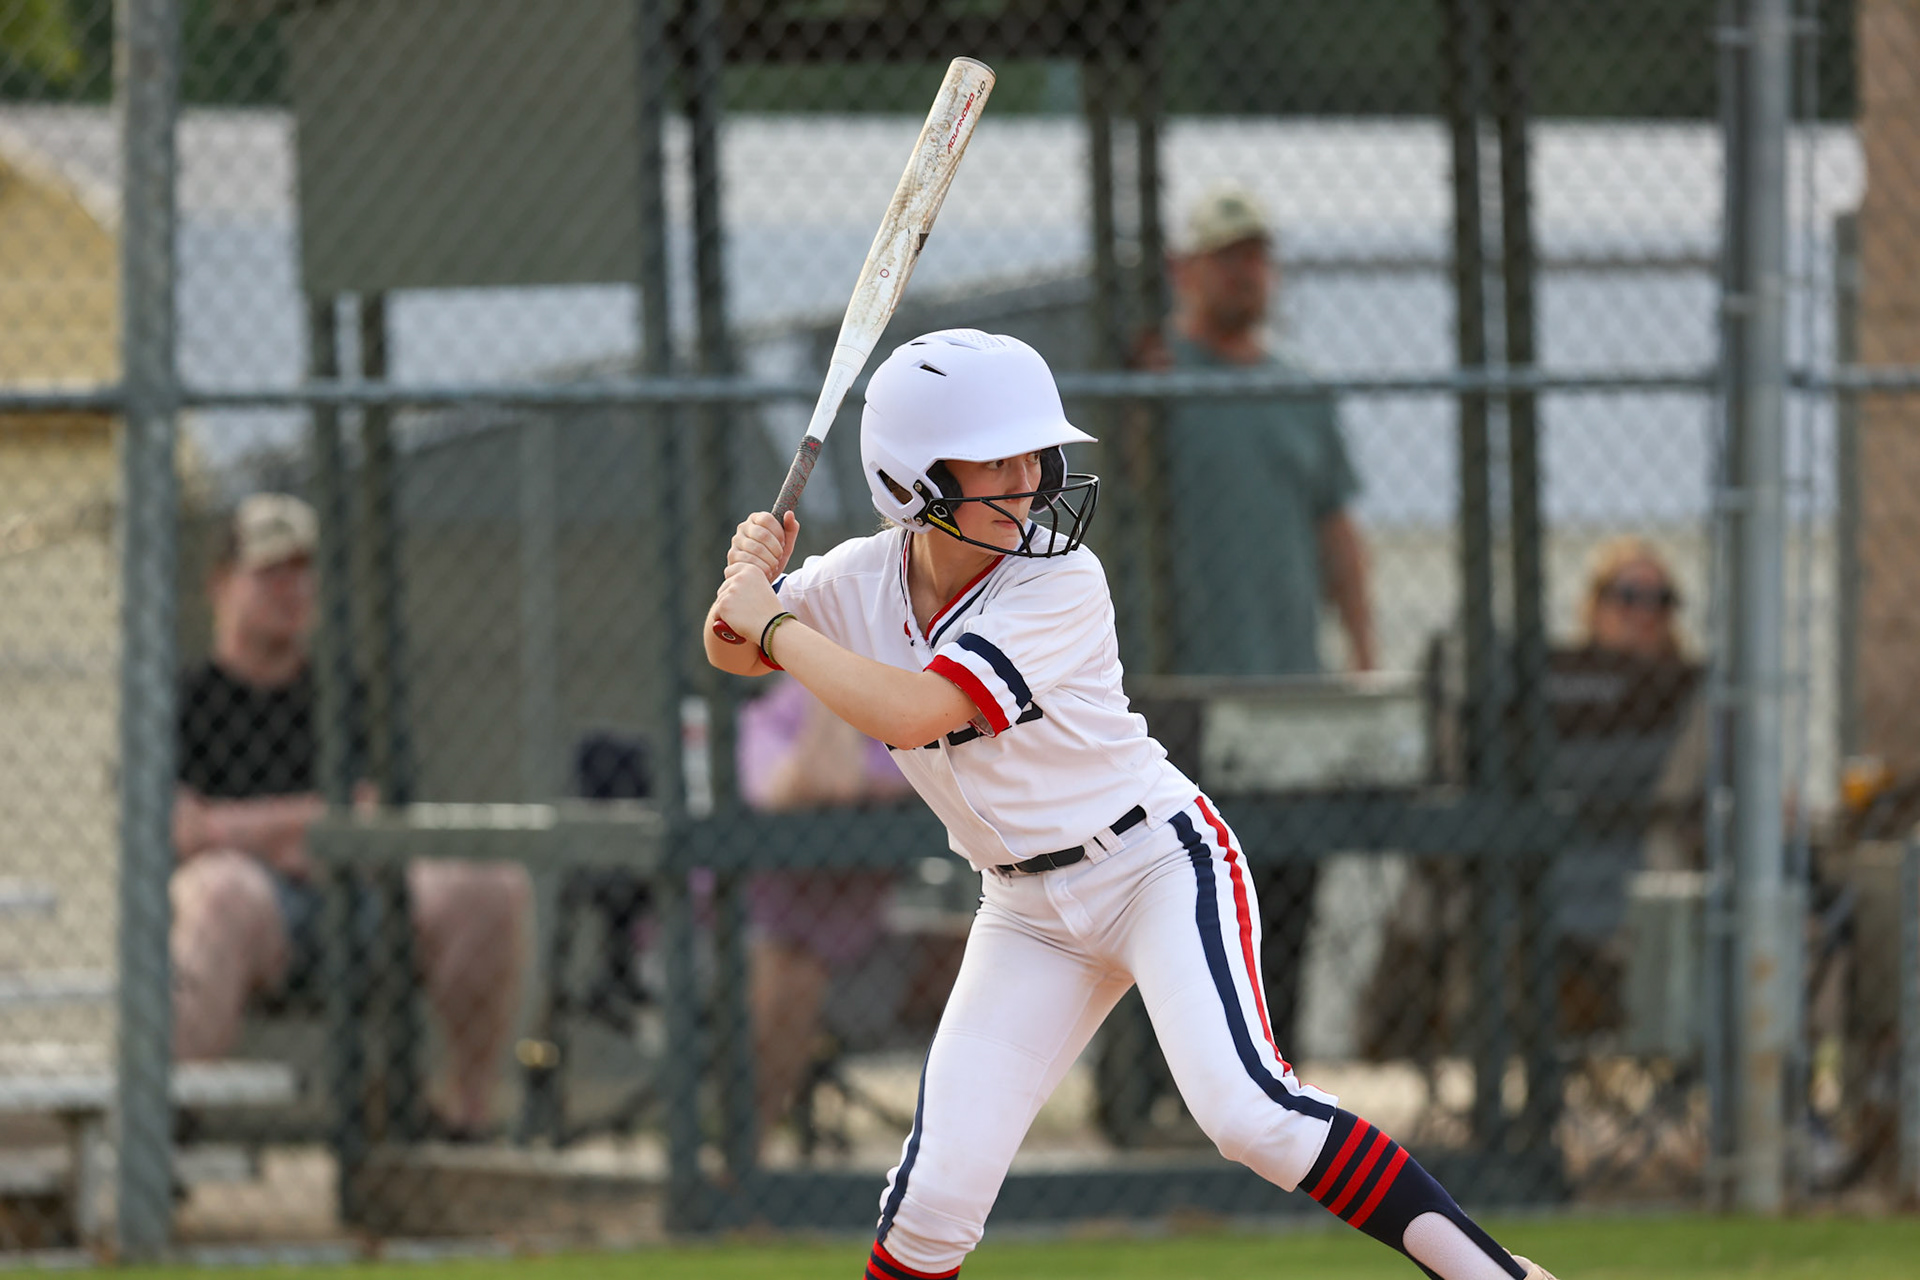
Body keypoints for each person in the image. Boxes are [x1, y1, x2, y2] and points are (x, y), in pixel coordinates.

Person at [704, 330, 1558, 1280]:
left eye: (1034, 453)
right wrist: (747, 580)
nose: (1029, 479)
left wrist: (771, 614)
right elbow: (731, 650)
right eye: (998, 457)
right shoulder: (859, 578)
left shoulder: (1059, 581)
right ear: (914, 479)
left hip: (1155, 867)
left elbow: (914, 713)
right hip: (1026, 911)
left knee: (1248, 1115)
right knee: (933, 1201)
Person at [172, 494, 530, 1135]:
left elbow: (370, 817)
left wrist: (236, 827)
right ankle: (167, 1125)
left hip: (357, 897)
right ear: (220, 586)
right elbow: (183, 833)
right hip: (254, 909)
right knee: (220, 889)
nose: (292, 589)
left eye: (303, 571)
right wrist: (308, 825)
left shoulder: (344, 694)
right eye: (270, 572)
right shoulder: (186, 698)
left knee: (490, 885)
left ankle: (467, 1119)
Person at [1145, 186, 1377, 1054]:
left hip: (1289, 687)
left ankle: (1279, 1078)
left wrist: (1361, 657)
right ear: (1185, 269)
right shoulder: (1149, 378)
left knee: (1287, 896)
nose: (1248, 273)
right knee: (1182, 902)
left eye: (1257, 256)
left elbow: (1339, 530)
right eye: (1227, 256)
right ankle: (1179, 1088)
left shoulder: (1299, 388)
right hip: (1177, 697)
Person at [737, 674, 916, 1141]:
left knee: (989, 948)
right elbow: (827, 783)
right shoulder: (766, 721)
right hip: (755, 939)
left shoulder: (914, 704)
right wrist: (829, 675)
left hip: (866, 947)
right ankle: (742, 1160)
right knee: (793, 972)